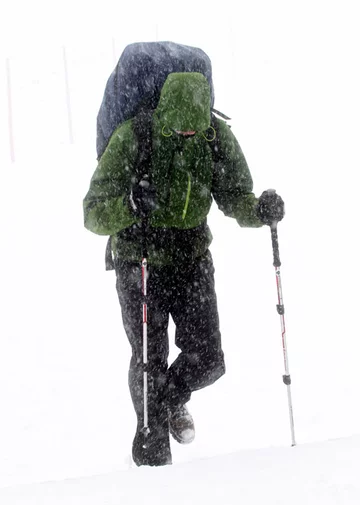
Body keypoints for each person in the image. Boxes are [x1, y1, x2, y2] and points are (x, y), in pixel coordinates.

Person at [83, 71, 284, 467]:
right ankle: (153, 457)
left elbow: (234, 194)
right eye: (181, 131)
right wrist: (131, 204)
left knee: (209, 358)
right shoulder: (133, 137)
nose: (190, 136)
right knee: (148, 362)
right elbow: (92, 212)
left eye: (197, 129)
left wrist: (259, 210)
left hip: (191, 260)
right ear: (164, 117)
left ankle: (170, 400)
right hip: (139, 259)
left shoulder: (214, 137)